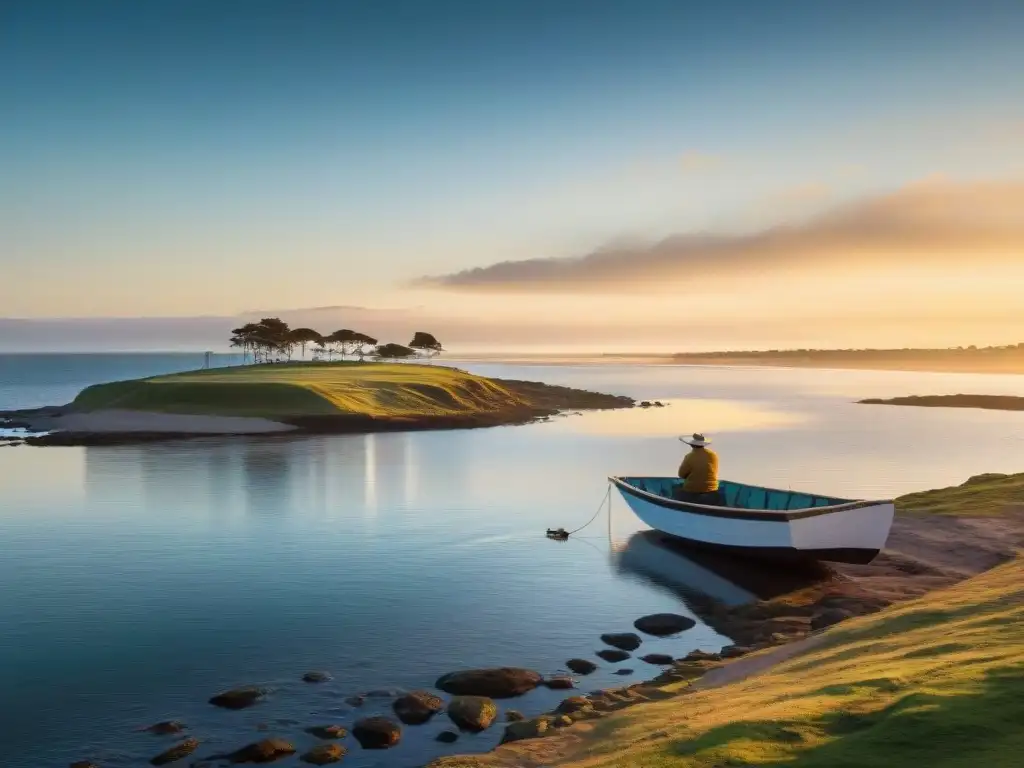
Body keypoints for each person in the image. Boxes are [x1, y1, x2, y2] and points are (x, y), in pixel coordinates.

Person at [675, 433, 723, 505]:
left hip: (692, 491)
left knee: (676, 491)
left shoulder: (689, 457)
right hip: (713, 490)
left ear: (691, 444)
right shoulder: (713, 455)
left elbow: (681, 475)